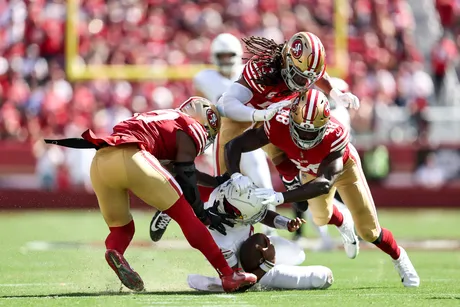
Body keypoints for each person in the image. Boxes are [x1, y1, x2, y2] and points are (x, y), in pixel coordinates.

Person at [44, 96, 257, 293]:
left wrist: (215, 182)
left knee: (123, 228)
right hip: (132, 156)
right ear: (205, 119)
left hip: (100, 162)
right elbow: (185, 172)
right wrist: (202, 213)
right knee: (187, 217)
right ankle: (228, 275)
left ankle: (115, 252)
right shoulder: (189, 126)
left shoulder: (164, 119)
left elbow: (178, 167)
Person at [224, 89, 420, 287]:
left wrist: (280, 197)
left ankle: (399, 257)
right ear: (291, 118)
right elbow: (233, 146)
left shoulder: (335, 134)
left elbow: (325, 183)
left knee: (369, 232)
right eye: (301, 129)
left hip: (343, 169)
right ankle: (342, 222)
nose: (305, 136)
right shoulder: (278, 123)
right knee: (320, 218)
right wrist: (235, 175)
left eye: (312, 131)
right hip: (310, 170)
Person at [214, 31, 360, 231]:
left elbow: (316, 75)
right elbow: (227, 103)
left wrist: (335, 93)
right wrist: (257, 114)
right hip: (241, 115)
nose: (303, 83)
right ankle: (202, 206)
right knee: (223, 176)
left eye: (308, 78)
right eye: (299, 76)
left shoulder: (306, 68)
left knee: (280, 143)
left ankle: (290, 182)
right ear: (287, 62)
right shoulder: (263, 69)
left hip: (270, 113)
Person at [149, 33, 276, 241]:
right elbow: (198, 111)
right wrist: (204, 143)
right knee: (217, 188)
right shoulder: (204, 78)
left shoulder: (249, 75)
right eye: (222, 56)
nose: (226, 60)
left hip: (246, 140)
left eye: (229, 56)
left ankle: (269, 234)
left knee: (263, 186)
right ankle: (172, 210)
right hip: (218, 140)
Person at [187, 180, 333, 292]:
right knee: (322, 277)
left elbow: (261, 214)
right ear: (236, 214)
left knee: (298, 254)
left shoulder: (228, 194)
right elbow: (237, 283)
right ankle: (221, 283)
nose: (257, 217)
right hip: (246, 270)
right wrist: (267, 264)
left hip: (255, 249)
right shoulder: (220, 241)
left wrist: (285, 223)